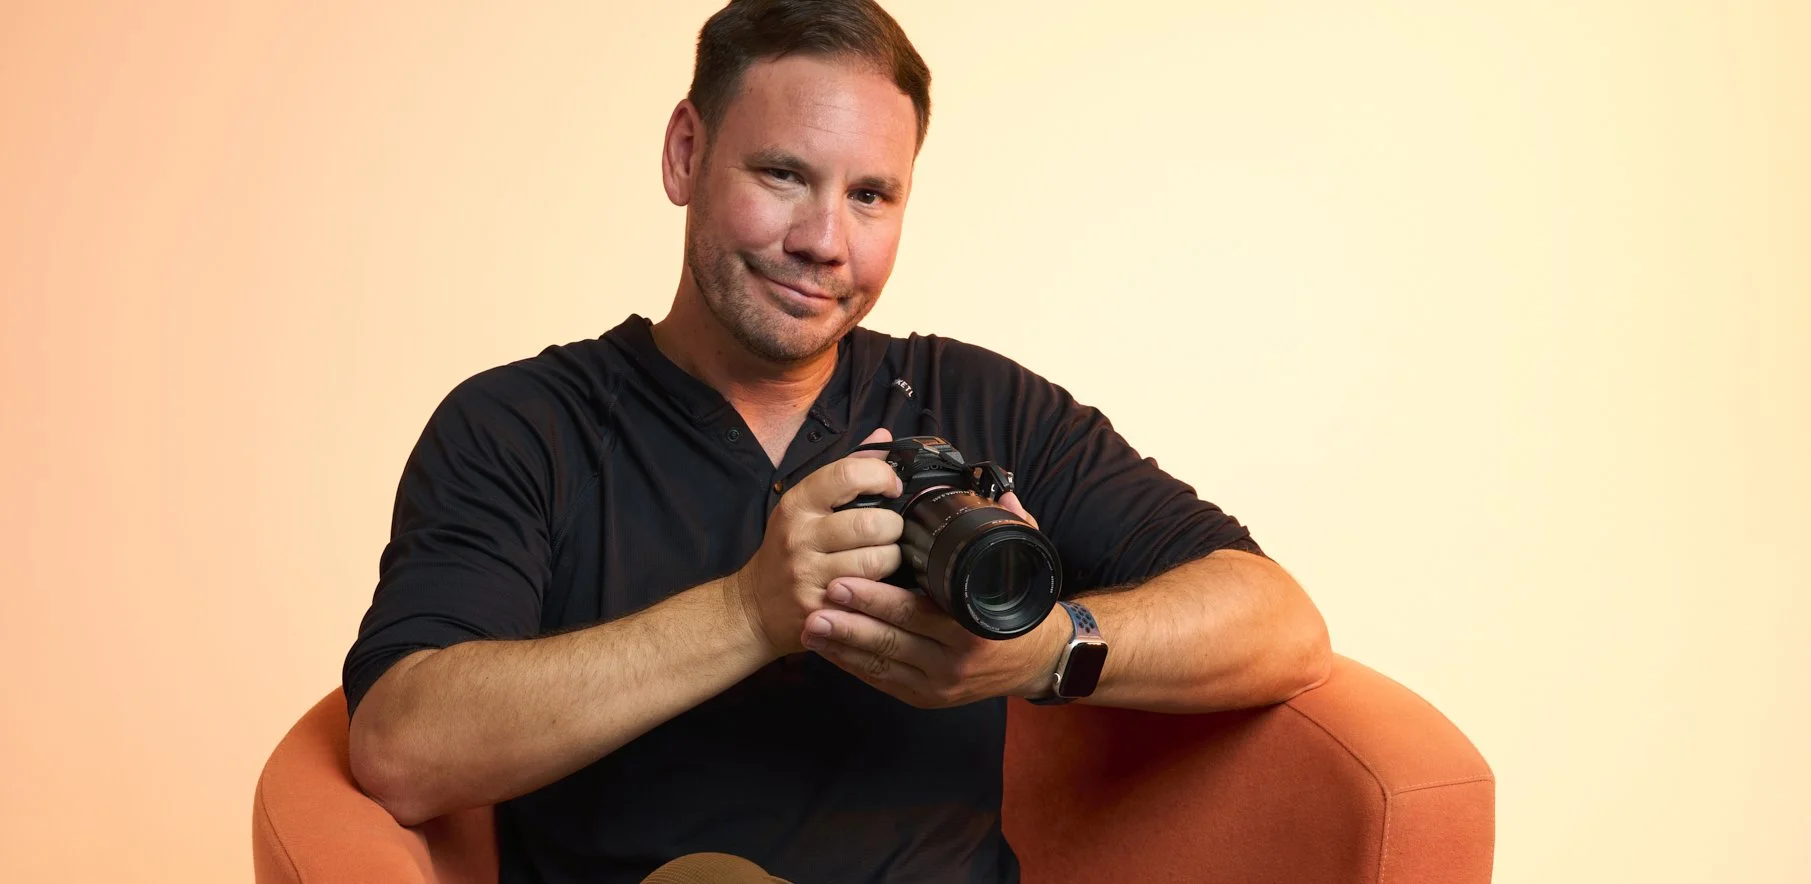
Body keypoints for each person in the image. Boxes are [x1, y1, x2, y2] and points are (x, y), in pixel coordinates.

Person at [342, 1, 1332, 882]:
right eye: (782, 174)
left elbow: (1278, 621)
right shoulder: (524, 425)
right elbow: (400, 743)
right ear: (685, 153)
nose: (826, 240)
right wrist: (749, 609)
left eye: (870, 195)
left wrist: (1042, 650)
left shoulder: (973, 401)